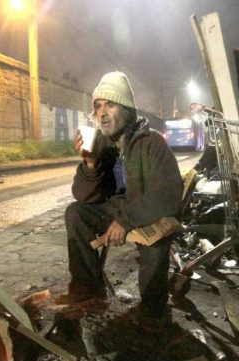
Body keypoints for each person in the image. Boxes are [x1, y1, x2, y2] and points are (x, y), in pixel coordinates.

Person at [58, 71, 183, 327]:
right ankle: (89, 292)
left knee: (157, 240)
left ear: (126, 109)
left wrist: (126, 221)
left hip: (147, 212)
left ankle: (152, 309)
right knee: (75, 212)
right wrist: (90, 163)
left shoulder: (151, 142)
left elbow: (166, 195)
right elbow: (84, 195)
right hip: (119, 212)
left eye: (110, 105)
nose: (102, 113)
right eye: (97, 106)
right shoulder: (102, 145)